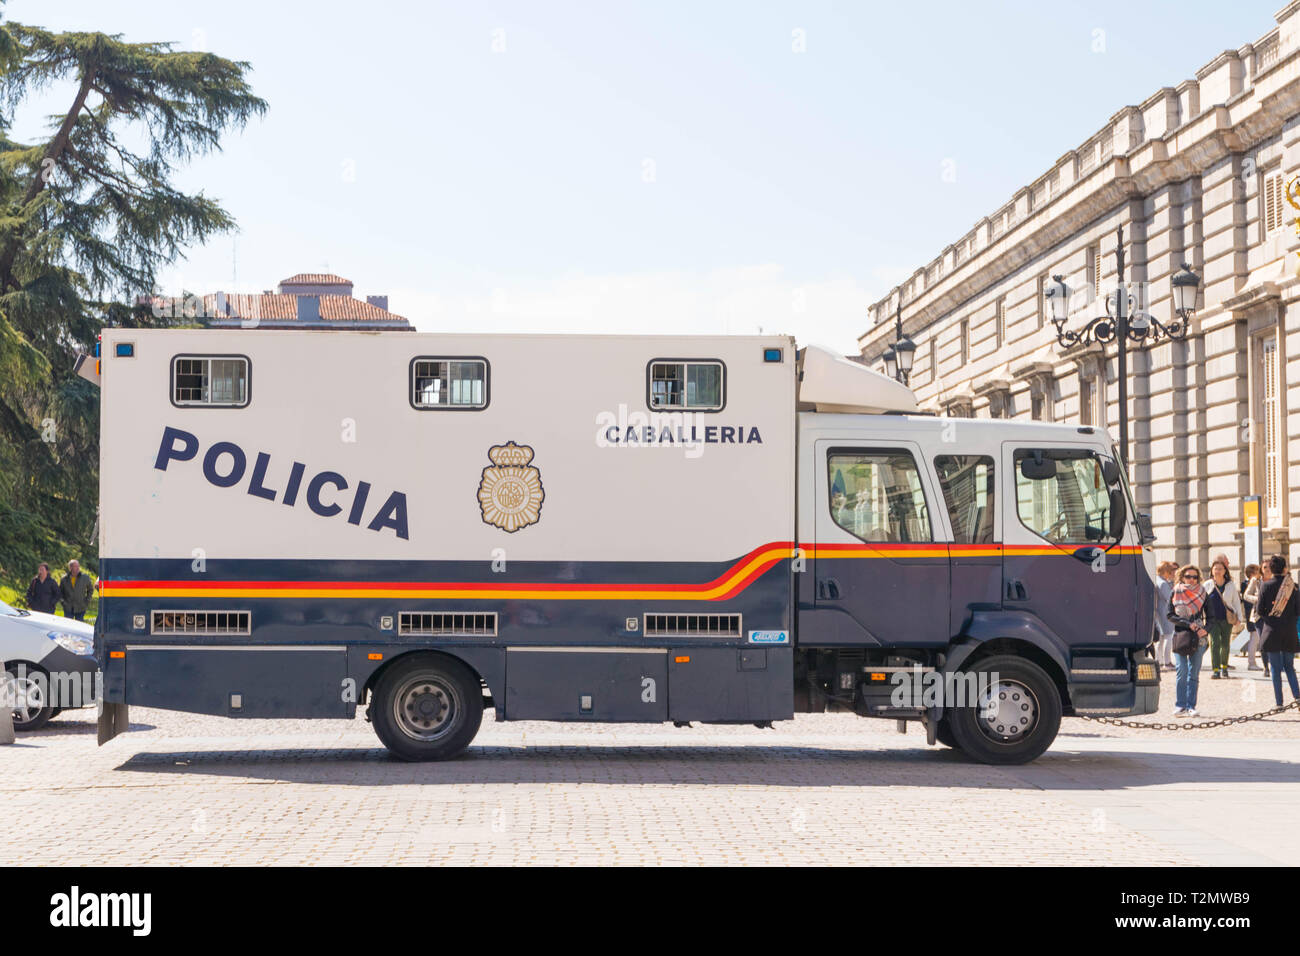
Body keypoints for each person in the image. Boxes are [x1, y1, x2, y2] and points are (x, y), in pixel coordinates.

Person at [1255, 554, 1300, 707]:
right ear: (1285, 569)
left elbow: (1259, 610)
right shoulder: (1293, 586)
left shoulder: (1265, 586)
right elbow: (1298, 610)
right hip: (1289, 631)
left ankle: (1279, 702)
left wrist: (1271, 620)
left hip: (1272, 631)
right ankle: (1298, 697)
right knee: (1289, 667)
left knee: (1275, 668)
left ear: (1271, 569)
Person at [1168, 563, 1210, 717]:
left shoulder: (1203, 593)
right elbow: (1169, 615)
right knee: (1182, 670)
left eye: (1194, 577)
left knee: (1194, 673)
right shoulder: (1175, 592)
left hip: (1199, 637)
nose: (1191, 580)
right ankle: (1180, 705)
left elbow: (1210, 616)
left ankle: (1191, 706)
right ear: (1182, 577)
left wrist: (1206, 629)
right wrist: (1188, 624)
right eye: (1188, 576)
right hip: (1181, 635)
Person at [1205, 555, 1244, 679]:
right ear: (1212, 570)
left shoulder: (1230, 585)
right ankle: (1215, 669)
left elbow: (1236, 602)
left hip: (1227, 618)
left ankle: (1224, 667)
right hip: (1212, 619)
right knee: (1215, 643)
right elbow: (1201, 601)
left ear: (1225, 571)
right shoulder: (1207, 585)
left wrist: (1239, 618)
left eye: (1220, 569)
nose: (1217, 571)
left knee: (1225, 644)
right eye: (1215, 568)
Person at [1241, 563, 1266, 673]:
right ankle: (1252, 662)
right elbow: (1246, 600)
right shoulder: (1248, 583)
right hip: (1253, 615)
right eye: (1257, 570)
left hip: (1255, 614)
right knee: (1254, 639)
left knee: (1256, 639)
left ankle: (1254, 662)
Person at [1154, 561, 1179, 668]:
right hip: (1165, 612)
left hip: (1159, 612)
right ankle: (1167, 661)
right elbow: (1169, 598)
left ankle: (1158, 660)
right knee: (1168, 636)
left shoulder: (1158, 580)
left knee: (1161, 638)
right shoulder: (1163, 583)